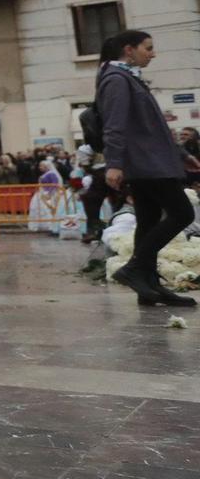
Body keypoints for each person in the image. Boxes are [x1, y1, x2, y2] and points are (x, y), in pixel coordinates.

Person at [96, 29, 198, 306]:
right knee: (182, 213)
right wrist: (114, 164)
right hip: (147, 164)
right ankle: (134, 268)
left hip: (150, 161)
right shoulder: (117, 80)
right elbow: (114, 125)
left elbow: (153, 127)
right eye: (148, 48)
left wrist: (181, 154)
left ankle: (148, 287)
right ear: (129, 50)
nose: (153, 54)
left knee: (149, 220)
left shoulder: (130, 78)